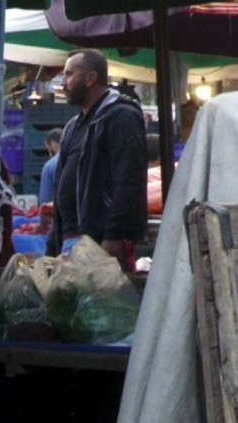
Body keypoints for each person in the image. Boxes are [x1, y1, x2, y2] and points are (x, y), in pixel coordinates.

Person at [46, 48, 149, 270]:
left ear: (91, 78)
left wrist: (113, 235)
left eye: (69, 74)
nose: (63, 82)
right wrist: (53, 242)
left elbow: (129, 180)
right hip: (70, 243)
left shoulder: (121, 116)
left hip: (102, 243)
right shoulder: (73, 127)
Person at [37, 127, 64, 205]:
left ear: (52, 143)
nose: (48, 152)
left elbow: (45, 201)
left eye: (47, 146)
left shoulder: (49, 166)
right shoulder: (81, 159)